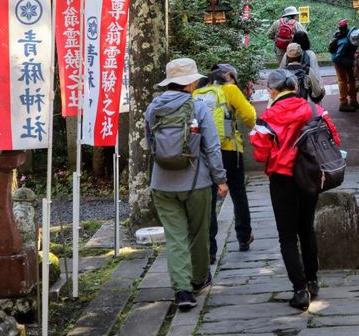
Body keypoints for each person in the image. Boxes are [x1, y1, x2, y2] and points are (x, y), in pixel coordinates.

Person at [249, 69, 340, 311]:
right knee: (307, 228)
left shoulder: (268, 117)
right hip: (310, 176)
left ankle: (300, 291)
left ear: (272, 90)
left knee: (287, 236)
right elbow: (334, 139)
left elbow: (260, 153)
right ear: (296, 87)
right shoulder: (315, 110)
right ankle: (312, 281)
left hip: (282, 179)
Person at [145, 58, 228, 311]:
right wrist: (220, 179)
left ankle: (182, 292)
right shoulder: (198, 107)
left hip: (162, 182)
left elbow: (151, 145)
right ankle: (199, 279)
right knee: (199, 233)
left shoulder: (152, 108)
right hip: (197, 181)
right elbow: (212, 147)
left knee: (175, 237)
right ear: (190, 83)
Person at [195, 63, 257, 264]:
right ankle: (243, 237)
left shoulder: (197, 92)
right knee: (238, 192)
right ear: (229, 76)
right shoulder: (230, 89)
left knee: (210, 198)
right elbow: (250, 117)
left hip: (204, 151)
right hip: (229, 149)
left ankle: (211, 250)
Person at [328, 20, 359, 112]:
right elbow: (338, 57)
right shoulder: (345, 42)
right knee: (343, 80)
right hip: (338, 60)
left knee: (351, 79)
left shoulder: (354, 34)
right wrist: (353, 63)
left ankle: (353, 101)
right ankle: (343, 103)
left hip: (347, 59)